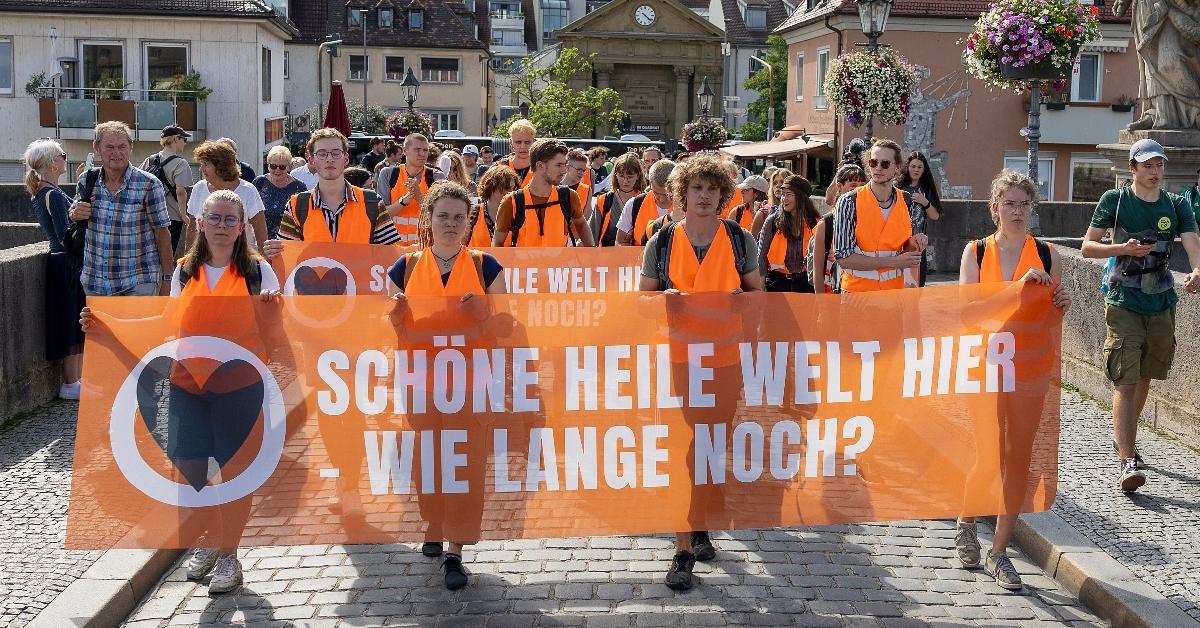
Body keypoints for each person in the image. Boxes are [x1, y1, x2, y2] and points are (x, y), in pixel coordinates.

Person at [81, 189, 282, 595]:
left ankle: (229, 555)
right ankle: (209, 537)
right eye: (216, 218)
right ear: (199, 223)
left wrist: (275, 311)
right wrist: (107, 325)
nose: (222, 226)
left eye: (230, 219)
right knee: (188, 471)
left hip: (238, 387)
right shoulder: (184, 271)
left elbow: (278, 334)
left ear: (242, 227)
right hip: (187, 384)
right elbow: (167, 323)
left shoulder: (259, 272)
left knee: (234, 471)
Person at [638, 155, 762, 591]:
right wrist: (665, 299)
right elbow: (643, 301)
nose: (705, 196)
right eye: (697, 189)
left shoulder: (740, 239)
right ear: (682, 194)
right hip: (681, 360)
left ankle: (702, 518)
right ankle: (682, 549)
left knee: (713, 442)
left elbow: (757, 295)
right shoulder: (663, 242)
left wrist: (739, 299)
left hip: (726, 359)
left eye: (713, 189)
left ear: (723, 196)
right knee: (688, 446)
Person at [954, 169, 1071, 591]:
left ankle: (999, 552)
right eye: (1011, 204)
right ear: (995, 208)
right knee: (988, 456)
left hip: (1029, 367)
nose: (1018, 211)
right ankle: (967, 519)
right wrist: (1016, 288)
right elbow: (968, 312)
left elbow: (1052, 312)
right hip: (986, 365)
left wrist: (1060, 301)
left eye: (1025, 204)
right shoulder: (977, 253)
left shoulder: (1046, 251)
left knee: (1018, 456)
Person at [386, 182, 506, 589]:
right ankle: (433, 523)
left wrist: (486, 314)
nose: (451, 224)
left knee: (466, 461)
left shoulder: (487, 266)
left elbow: (508, 328)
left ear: (469, 222)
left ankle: (456, 549)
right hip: (422, 382)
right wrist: (395, 318)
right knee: (427, 460)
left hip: (470, 384)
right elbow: (383, 329)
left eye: (459, 217)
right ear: (428, 220)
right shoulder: (403, 268)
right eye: (443, 216)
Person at [1080, 138, 1200, 492]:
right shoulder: (1115, 201)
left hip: (1161, 300)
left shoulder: (1176, 204)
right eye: (1147, 165)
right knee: (1126, 379)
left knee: (1145, 376)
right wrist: (1122, 248)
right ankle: (1127, 460)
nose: (1155, 172)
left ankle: (1124, 440)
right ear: (1132, 168)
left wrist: (1197, 268)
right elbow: (1087, 247)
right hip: (1122, 299)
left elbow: (1192, 239)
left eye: (1159, 165)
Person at [68, 121, 173, 297]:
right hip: (96, 282)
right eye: (109, 147)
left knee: (136, 326)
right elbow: (75, 210)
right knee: (98, 327)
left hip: (138, 282)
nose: (116, 153)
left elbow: (162, 234)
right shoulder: (87, 179)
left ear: (130, 148)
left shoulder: (149, 184)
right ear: (96, 147)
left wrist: (168, 279)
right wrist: (75, 213)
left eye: (122, 146)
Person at [264, 128, 400, 250]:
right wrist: (276, 252)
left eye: (336, 153)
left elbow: (390, 255)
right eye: (322, 154)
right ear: (311, 160)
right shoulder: (295, 206)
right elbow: (289, 258)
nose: (329, 159)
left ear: (346, 159)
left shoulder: (373, 203)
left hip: (361, 279)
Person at [24, 138, 85, 399]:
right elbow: (65, 235)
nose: (65, 157)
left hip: (61, 261)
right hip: (66, 262)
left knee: (76, 318)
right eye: (62, 154)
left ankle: (76, 381)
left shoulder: (48, 191)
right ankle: (71, 383)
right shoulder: (51, 194)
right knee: (73, 319)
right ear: (52, 162)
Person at [834, 138, 927, 293]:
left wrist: (915, 243)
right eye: (873, 162)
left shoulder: (907, 201)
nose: (878, 168)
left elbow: (904, 250)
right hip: (857, 296)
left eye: (884, 164)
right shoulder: (849, 201)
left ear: (897, 168)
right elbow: (844, 258)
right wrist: (895, 261)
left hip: (893, 295)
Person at [491, 139, 595, 247]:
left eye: (564, 165)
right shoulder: (511, 202)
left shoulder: (569, 196)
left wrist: (591, 253)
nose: (564, 171)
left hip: (560, 263)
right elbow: (497, 243)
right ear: (540, 165)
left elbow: (581, 224)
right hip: (524, 263)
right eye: (558, 165)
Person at [185, 141, 268, 251]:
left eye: (206, 165)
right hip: (205, 259)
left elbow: (260, 231)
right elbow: (192, 227)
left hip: (241, 261)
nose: (202, 169)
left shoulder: (248, 191)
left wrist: (262, 262)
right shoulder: (198, 188)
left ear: (221, 166)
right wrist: (188, 258)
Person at [379, 133, 446, 245]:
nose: (422, 154)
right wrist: (404, 201)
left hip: (424, 246)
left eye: (425, 150)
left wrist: (419, 196)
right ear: (405, 151)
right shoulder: (388, 174)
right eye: (417, 150)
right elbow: (381, 216)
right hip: (393, 246)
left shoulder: (436, 176)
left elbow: (441, 216)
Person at [758, 175, 821, 292]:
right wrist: (761, 288)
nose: (783, 199)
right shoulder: (772, 221)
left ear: (801, 198)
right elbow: (761, 257)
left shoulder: (816, 223)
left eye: (788, 194)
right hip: (777, 284)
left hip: (807, 285)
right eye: (783, 194)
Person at [810, 164, 866, 294]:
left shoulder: (869, 219)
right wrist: (821, 304)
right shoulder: (826, 224)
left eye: (862, 186)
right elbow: (817, 272)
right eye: (853, 185)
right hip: (832, 297)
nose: (858, 190)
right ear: (839, 187)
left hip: (860, 297)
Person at [139, 125, 192, 252]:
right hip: (171, 216)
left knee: (149, 252)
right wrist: (183, 214)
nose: (185, 143)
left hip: (149, 214)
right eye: (184, 139)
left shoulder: (149, 160)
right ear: (175, 139)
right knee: (167, 252)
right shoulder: (181, 163)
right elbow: (180, 191)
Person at [897, 151, 943, 286]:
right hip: (897, 243)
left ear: (924, 170)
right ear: (907, 167)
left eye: (919, 167)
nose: (916, 170)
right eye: (913, 166)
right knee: (898, 283)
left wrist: (925, 202)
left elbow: (935, 216)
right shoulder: (897, 187)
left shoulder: (926, 189)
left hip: (918, 245)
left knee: (917, 284)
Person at [616, 159, 675, 246]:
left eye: (667, 195)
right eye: (657, 193)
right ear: (650, 184)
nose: (661, 199)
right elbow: (621, 242)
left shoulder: (687, 205)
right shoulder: (634, 204)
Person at [591, 152, 645, 246]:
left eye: (630, 177)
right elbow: (592, 235)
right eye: (621, 176)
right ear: (615, 175)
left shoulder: (646, 200)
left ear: (638, 176)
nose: (625, 181)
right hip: (607, 257)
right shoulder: (604, 200)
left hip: (637, 257)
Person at [254, 146, 308, 239]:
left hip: (290, 242)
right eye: (273, 166)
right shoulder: (259, 183)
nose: (277, 170)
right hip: (262, 241)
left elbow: (305, 218)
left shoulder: (299, 187)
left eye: (282, 167)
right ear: (268, 165)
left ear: (289, 167)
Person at [467, 166, 520, 247]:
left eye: (513, 189)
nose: (511, 193)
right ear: (491, 187)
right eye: (506, 188)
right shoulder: (473, 214)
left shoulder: (519, 215)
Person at [498, 119, 537, 187]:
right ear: (511, 143)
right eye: (518, 142)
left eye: (527, 142)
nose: (523, 146)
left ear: (534, 142)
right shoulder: (499, 168)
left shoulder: (542, 168)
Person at [563, 149, 594, 220]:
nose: (581, 173)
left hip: (576, 230)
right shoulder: (555, 187)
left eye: (583, 170)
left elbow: (586, 218)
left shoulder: (587, 190)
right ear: (567, 168)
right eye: (578, 169)